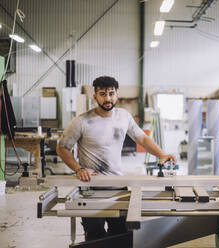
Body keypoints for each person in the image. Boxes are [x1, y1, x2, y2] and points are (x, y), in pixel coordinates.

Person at [56, 76, 175, 242]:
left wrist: (161, 154)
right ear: (95, 96)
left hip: (118, 186)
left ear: (116, 95)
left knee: (120, 236)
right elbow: (62, 148)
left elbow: (142, 139)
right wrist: (79, 169)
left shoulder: (123, 116)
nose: (107, 98)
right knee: (94, 238)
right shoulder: (81, 121)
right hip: (91, 187)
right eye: (102, 94)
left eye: (111, 93)